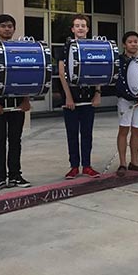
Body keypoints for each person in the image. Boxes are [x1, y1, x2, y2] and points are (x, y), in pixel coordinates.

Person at [0, 14, 32, 191]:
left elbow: (26, 77)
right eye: (3, 26)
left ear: (14, 29)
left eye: (10, 26)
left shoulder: (19, 49)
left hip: (17, 104)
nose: (7, 29)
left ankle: (15, 176)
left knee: (15, 141)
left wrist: (26, 100)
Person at [57, 14, 101, 179]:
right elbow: (62, 74)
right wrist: (68, 97)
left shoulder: (93, 48)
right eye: (77, 25)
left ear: (87, 29)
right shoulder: (64, 49)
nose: (80, 28)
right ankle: (74, 167)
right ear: (72, 29)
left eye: (83, 25)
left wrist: (97, 93)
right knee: (72, 133)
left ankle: (87, 166)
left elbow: (99, 72)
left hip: (88, 98)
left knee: (87, 133)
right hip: (71, 99)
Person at [115, 31, 138, 177]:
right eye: (130, 42)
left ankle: (134, 162)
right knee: (123, 130)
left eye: (136, 41)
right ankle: (123, 163)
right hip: (125, 101)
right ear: (124, 44)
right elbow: (117, 81)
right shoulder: (118, 61)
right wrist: (127, 95)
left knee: (137, 131)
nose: (133, 44)